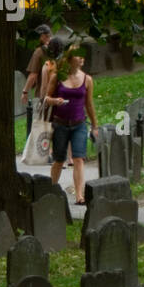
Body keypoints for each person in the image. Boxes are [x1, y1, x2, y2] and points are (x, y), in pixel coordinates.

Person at [44, 45, 98, 204]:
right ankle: (51, 190)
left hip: (79, 124)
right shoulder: (57, 76)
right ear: (70, 58)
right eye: (78, 56)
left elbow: (89, 104)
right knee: (59, 160)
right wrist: (55, 101)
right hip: (60, 124)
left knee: (78, 158)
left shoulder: (87, 79)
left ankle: (79, 196)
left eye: (83, 56)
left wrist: (95, 125)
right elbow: (46, 98)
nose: (82, 59)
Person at [20, 23, 53, 108]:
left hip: (43, 96)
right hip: (58, 95)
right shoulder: (57, 48)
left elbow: (33, 75)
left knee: (39, 121)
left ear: (42, 36)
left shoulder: (39, 52)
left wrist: (25, 92)